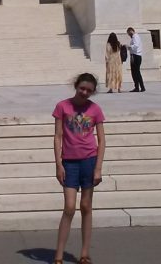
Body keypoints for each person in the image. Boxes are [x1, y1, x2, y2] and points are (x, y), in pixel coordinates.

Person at [52, 73, 106, 264]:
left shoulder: (95, 109)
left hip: (89, 161)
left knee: (85, 206)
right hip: (69, 162)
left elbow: (102, 139)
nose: (84, 93)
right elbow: (58, 136)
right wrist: (58, 164)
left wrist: (98, 168)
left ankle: (84, 254)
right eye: (82, 88)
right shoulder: (62, 106)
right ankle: (58, 255)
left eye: (89, 91)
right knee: (69, 207)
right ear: (76, 86)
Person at [126, 27, 145, 92]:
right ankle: (138, 87)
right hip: (134, 55)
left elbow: (136, 46)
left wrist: (129, 46)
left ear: (131, 31)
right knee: (135, 72)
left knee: (136, 72)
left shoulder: (135, 37)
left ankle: (140, 87)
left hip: (136, 56)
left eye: (129, 33)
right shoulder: (134, 37)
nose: (129, 35)